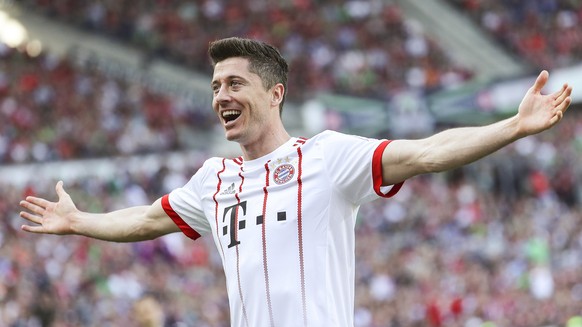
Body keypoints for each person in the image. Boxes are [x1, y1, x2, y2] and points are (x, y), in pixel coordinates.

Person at [19, 37, 573, 327]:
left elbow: (427, 152)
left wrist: (513, 127)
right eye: (215, 86)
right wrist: (78, 221)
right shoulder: (213, 179)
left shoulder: (329, 157)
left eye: (235, 82)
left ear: (275, 93)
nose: (220, 96)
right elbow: (144, 219)